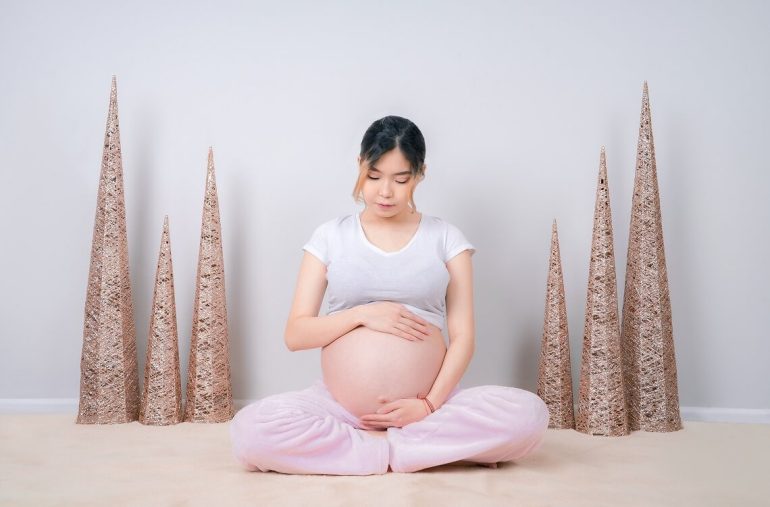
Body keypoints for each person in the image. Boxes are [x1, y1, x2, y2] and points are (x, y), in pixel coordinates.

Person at [229, 115, 549, 475]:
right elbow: (296, 334)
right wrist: (363, 315)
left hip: (431, 408)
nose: (385, 191)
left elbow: (463, 338)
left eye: (401, 179)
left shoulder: (446, 239)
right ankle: (397, 451)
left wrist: (428, 405)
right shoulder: (329, 237)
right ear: (360, 165)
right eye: (374, 175)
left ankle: (380, 448)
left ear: (420, 174)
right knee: (249, 432)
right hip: (339, 408)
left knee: (529, 416)